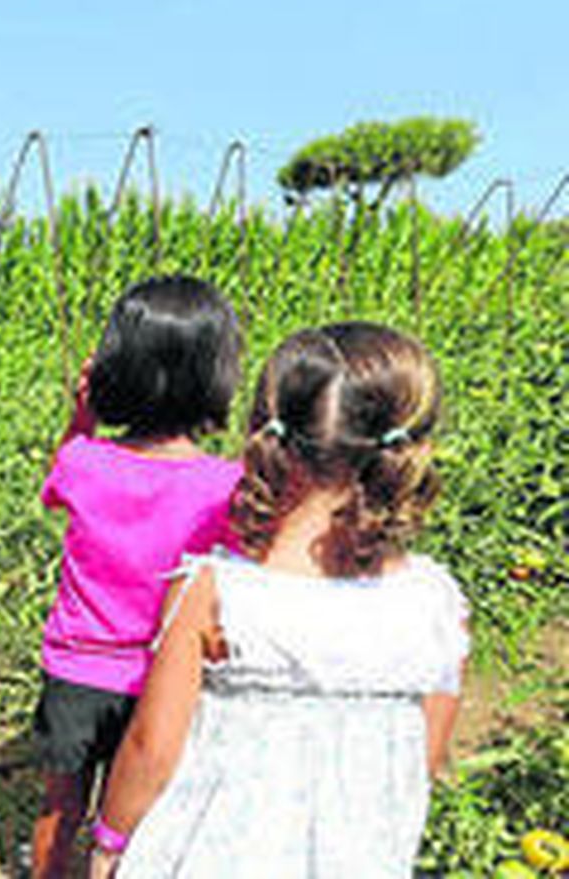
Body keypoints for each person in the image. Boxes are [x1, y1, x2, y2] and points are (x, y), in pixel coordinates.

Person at [90, 322, 467, 877]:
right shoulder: (436, 606)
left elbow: (151, 749)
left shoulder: (219, 593)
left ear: (270, 434)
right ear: (410, 447)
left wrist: (108, 845)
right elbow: (423, 760)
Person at [29, 275, 245, 878]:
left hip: (75, 667)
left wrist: (82, 416)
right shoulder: (227, 484)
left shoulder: (84, 459)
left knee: (59, 807)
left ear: (115, 366)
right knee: (141, 818)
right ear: (215, 374)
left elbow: (54, 492)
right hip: (164, 679)